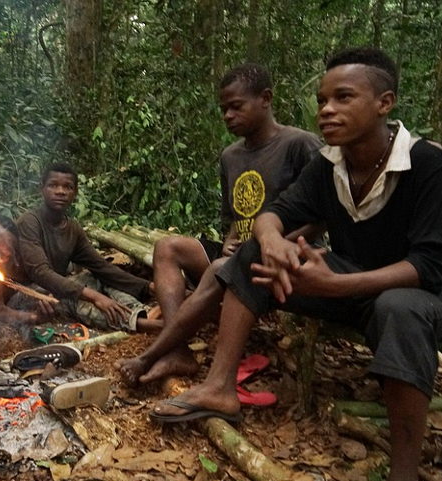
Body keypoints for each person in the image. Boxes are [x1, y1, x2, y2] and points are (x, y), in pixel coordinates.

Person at [150, 47, 442, 481]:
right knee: (256, 254)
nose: (327, 109)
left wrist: (334, 285)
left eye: (343, 97)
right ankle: (219, 387)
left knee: (398, 307)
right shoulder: (329, 164)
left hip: (420, 297)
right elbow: (277, 213)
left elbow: (434, 266)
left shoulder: (426, 164)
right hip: (351, 283)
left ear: (384, 102)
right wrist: (271, 239)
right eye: (321, 99)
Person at [118, 64, 321, 385]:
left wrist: (276, 245)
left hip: (287, 254)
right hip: (238, 255)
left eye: (236, 106)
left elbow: (321, 216)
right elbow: (235, 216)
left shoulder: (300, 144)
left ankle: (156, 353)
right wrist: (229, 239)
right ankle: (178, 349)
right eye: (223, 109)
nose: (227, 115)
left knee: (219, 269)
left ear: (266, 99)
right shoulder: (230, 156)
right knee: (168, 247)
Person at [17, 163, 161, 333]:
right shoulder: (30, 222)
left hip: (58, 288)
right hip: (30, 294)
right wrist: (95, 297)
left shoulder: (73, 228)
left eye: (67, 187)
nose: (60, 191)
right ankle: (147, 325)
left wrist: (149, 287)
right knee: (73, 297)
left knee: (98, 277)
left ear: (75, 193)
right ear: (42, 189)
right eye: (53, 185)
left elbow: (101, 267)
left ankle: (139, 310)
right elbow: (40, 272)